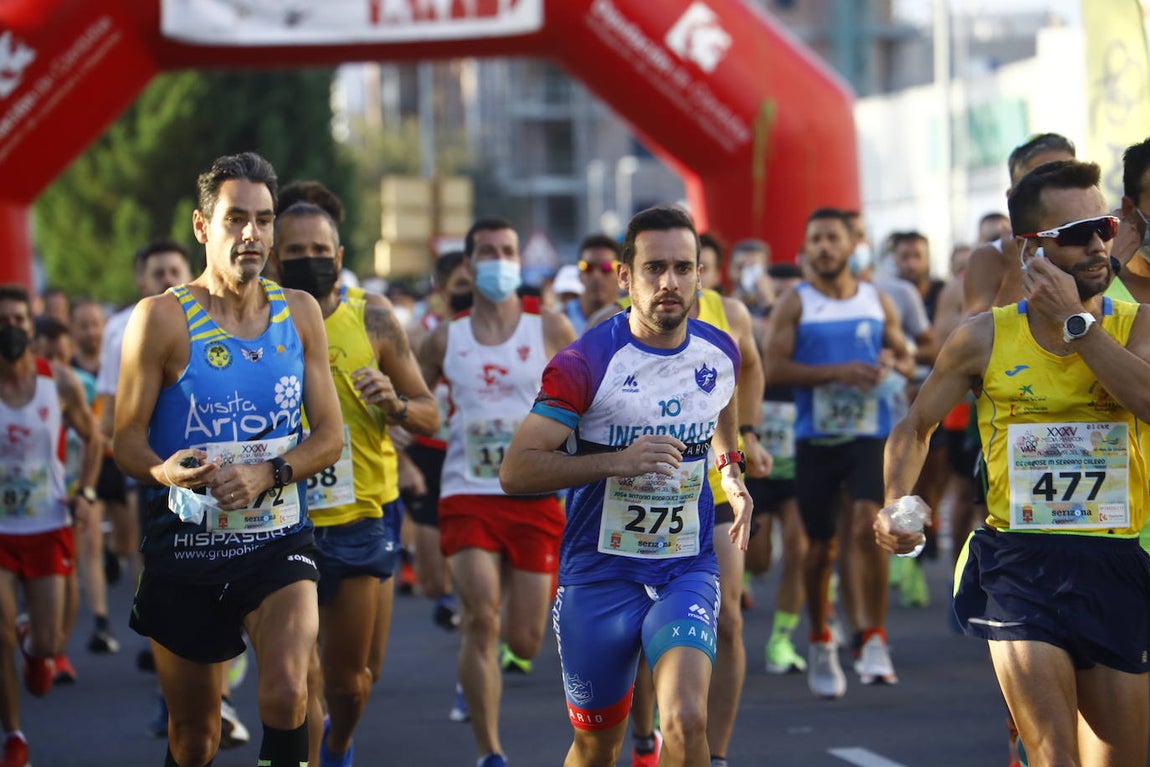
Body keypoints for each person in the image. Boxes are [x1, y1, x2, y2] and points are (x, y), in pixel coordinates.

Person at [876, 159, 1150, 767]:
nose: (1100, 245)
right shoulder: (983, 338)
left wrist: (1077, 323)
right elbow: (914, 426)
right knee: (1053, 754)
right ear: (1032, 250)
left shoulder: (1138, 326)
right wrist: (897, 502)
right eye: (1077, 235)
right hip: (1019, 563)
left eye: (1104, 227)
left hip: (1115, 561)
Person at [113, 152, 343, 767]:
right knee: (194, 739)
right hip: (185, 546)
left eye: (264, 220)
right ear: (201, 226)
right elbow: (126, 440)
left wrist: (269, 473)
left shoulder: (299, 312)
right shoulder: (160, 318)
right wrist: (165, 470)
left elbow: (328, 437)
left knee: (290, 691)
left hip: (276, 539)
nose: (252, 234)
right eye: (236, 218)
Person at [500, 205, 751, 767]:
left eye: (684, 268)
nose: (670, 283)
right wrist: (618, 461)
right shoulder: (586, 361)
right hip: (598, 574)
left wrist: (730, 468)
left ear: (700, 276)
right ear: (624, 277)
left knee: (686, 721)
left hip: (685, 565)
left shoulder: (719, 352)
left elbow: (720, 409)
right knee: (596, 748)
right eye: (654, 268)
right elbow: (517, 470)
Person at [271, 200, 439, 767]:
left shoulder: (374, 319)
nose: (310, 261)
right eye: (296, 252)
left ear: (340, 257)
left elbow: (430, 412)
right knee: (299, 678)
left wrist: (395, 404)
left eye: (320, 251)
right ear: (274, 258)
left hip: (360, 518)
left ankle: (339, 743)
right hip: (282, 519)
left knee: (352, 682)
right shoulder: (256, 319)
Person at [418, 217, 575, 767]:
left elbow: (592, 397)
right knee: (481, 618)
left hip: (533, 493)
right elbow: (415, 397)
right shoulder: (445, 336)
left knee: (526, 640)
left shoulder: (550, 327)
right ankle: (490, 751)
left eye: (508, 250)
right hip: (468, 492)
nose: (500, 260)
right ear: (468, 264)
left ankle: (501, 650)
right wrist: (399, 421)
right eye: (488, 251)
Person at [762, 207, 913, 699]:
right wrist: (836, 372)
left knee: (870, 521)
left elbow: (907, 356)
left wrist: (895, 360)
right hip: (815, 438)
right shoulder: (796, 303)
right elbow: (774, 368)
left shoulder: (876, 300)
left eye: (832, 238)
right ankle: (821, 637)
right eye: (816, 240)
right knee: (819, 546)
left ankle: (874, 637)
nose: (824, 247)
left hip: (870, 433)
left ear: (851, 246)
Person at [0, 285, 101, 767]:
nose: (11, 329)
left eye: (19, 320)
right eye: (3, 321)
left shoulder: (58, 383)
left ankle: (35, 648)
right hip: (0, 532)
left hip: (47, 524)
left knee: (49, 643)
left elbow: (94, 439)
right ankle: (14, 737)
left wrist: (84, 491)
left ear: (31, 325)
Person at [401, 251, 472, 634]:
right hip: (428, 452)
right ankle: (449, 598)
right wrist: (402, 461)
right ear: (441, 290)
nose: (471, 294)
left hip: (473, 456)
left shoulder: (492, 332)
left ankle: (475, 606)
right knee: (431, 578)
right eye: (461, 287)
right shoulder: (417, 333)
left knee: (478, 559)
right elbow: (402, 400)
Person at [964, 133, 1077, 315]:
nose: (1060, 190)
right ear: (1013, 198)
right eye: (1043, 181)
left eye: (1069, 177)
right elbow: (979, 340)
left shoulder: (1102, 238)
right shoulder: (991, 257)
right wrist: (1017, 267)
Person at [563, 234, 622, 335]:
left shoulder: (632, 319)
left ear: (621, 274)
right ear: (579, 274)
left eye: (606, 267)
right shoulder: (561, 319)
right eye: (588, 267)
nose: (596, 276)